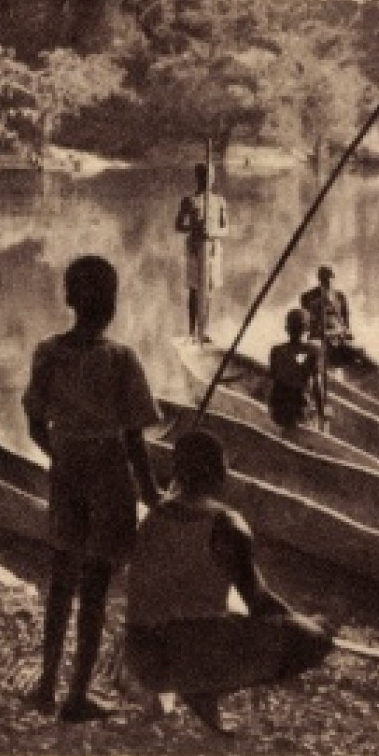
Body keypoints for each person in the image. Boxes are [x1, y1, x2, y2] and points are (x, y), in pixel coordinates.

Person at [22, 256, 164, 722]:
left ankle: (46, 686)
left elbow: (34, 422)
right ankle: (77, 695)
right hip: (108, 476)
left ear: (69, 298)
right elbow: (133, 438)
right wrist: (152, 494)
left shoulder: (48, 352)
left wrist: (61, 454)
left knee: (61, 580)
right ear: (112, 304)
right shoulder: (121, 359)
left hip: (67, 472)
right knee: (96, 588)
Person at [124, 431, 335, 735]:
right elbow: (260, 602)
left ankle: (195, 687)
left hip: (141, 658)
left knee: (211, 617)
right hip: (186, 655)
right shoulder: (227, 523)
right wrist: (307, 623)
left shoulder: (152, 517)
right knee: (313, 641)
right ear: (218, 473)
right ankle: (203, 688)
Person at [174, 162, 229, 340]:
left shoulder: (219, 201)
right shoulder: (190, 200)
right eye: (204, 176)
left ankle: (204, 330)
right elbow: (178, 225)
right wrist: (194, 226)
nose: (208, 180)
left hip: (213, 250)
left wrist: (212, 232)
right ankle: (192, 331)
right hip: (195, 250)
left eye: (211, 176)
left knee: (209, 290)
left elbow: (226, 229)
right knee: (195, 290)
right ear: (197, 178)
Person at [301, 265, 373, 369]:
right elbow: (307, 320)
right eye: (324, 278)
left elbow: (345, 318)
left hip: (339, 337)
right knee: (319, 357)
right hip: (319, 339)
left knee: (360, 352)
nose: (327, 281)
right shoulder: (308, 297)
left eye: (329, 278)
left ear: (333, 278)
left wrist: (347, 332)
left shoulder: (340, 296)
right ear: (319, 279)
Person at [267, 308, 326, 430]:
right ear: (307, 329)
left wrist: (270, 407)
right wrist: (322, 412)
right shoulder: (314, 351)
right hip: (300, 409)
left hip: (278, 408)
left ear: (287, 329)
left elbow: (272, 380)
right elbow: (317, 385)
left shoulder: (276, 351)